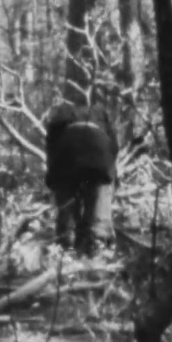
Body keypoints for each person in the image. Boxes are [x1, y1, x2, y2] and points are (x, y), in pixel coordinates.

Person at [44, 102, 119, 256]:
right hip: (100, 152)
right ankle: (99, 240)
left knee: (66, 199)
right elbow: (114, 148)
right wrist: (110, 175)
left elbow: (51, 151)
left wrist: (54, 181)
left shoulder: (61, 114)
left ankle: (66, 243)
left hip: (68, 152)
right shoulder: (100, 113)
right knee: (100, 191)